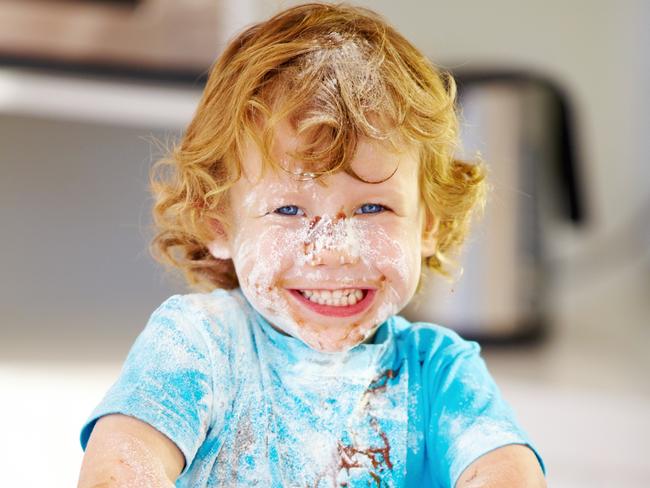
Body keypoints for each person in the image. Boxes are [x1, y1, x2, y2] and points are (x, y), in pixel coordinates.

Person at [77, 3, 546, 487]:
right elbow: (122, 464)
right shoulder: (200, 347)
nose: (333, 250)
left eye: (371, 209)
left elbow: (506, 469)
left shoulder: (438, 373)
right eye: (288, 210)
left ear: (427, 223)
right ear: (218, 225)